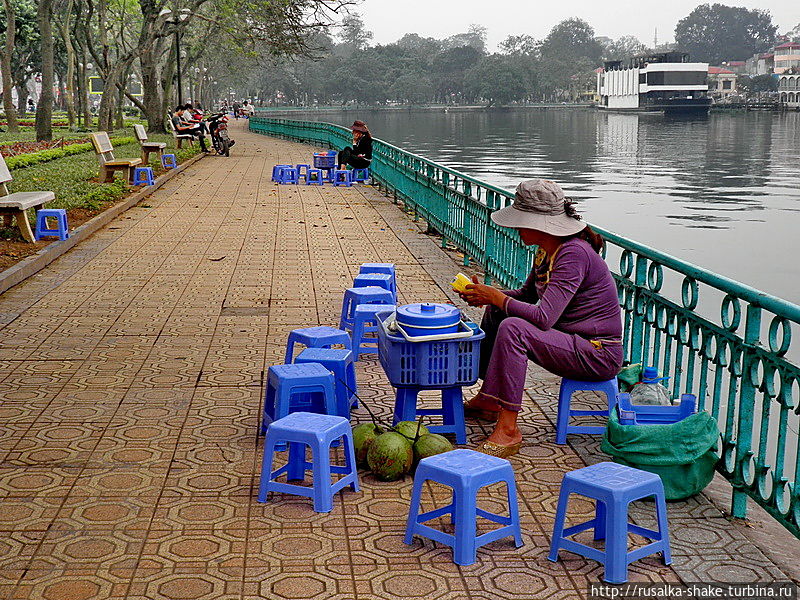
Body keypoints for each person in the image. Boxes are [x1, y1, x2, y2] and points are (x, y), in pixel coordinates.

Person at [459, 179, 623, 458]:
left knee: (514, 328)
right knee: (500, 311)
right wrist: (487, 296)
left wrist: (498, 297)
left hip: (598, 353)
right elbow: (525, 296)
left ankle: (509, 429)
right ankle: (489, 400)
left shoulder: (573, 253)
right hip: (570, 342)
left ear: (539, 223)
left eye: (522, 222)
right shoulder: (547, 250)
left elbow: (544, 317)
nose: (518, 228)